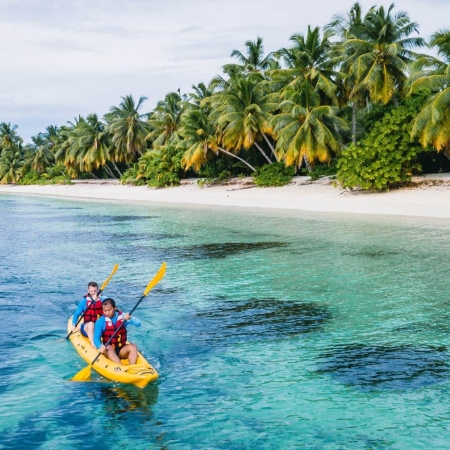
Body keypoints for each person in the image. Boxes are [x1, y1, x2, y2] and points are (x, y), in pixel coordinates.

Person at [94, 298, 141, 365]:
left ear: (115, 308)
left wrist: (130, 318)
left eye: (109, 310)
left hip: (122, 349)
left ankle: (132, 367)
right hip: (109, 350)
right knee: (109, 348)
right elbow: (96, 338)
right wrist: (99, 346)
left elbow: (139, 324)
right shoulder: (100, 321)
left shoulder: (123, 316)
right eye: (105, 310)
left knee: (133, 346)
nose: (107, 313)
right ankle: (120, 367)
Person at [72, 282, 103, 347]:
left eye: (95, 291)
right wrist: (73, 324)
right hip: (86, 327)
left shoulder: (102, 300)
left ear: (98, 290)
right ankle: (93, 343)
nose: (93, 293)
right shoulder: (84, 301)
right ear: (88, 290)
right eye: (91, 291)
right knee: (91, 323)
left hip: (97, 328)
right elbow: (76, 314)